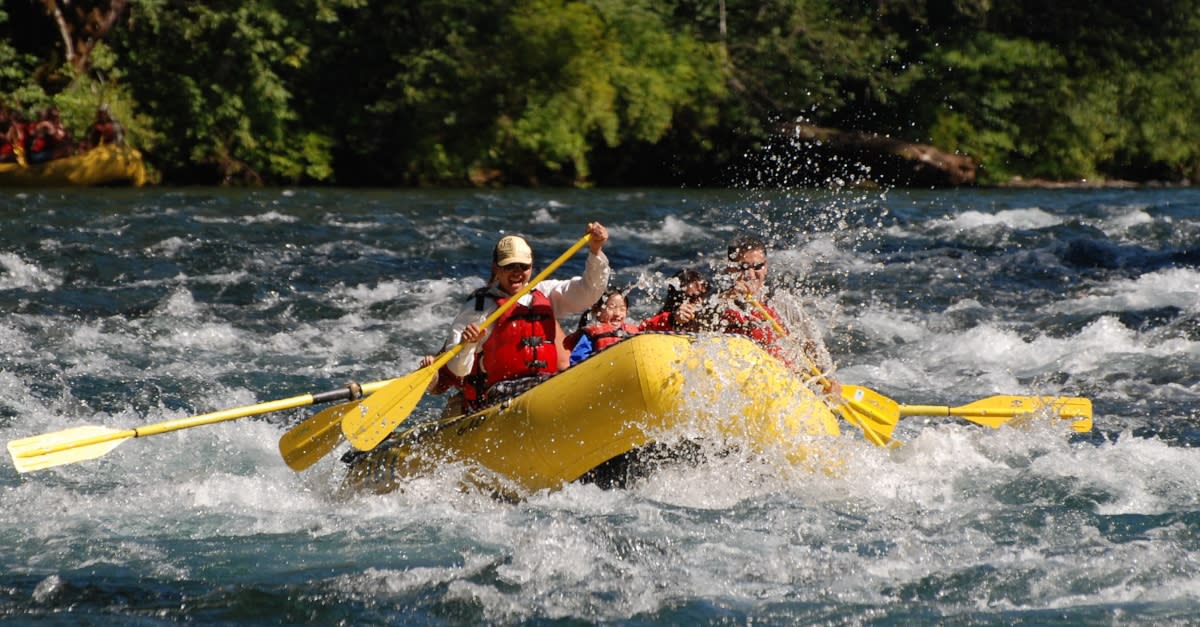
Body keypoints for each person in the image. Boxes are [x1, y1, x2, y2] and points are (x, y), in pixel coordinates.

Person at [440, 223, 611, 408]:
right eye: (509, 266)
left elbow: (589, 292)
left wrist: (595, 250)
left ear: (531, 267)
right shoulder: (479, 307)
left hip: (546, 383)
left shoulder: (544, 292)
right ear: (496, 268)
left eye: (523, 266)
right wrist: (469, 345)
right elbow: (458, 369)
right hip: (502, 393)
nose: (517, 272)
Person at [716, 234, 840, 395]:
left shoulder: (783, 301)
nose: (751, 275)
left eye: (757, 267)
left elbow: (814, 343)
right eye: (743, 267)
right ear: (731, 269)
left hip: (785, 385)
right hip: (741, 385)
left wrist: (829, 379)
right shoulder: (719, 304)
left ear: (766, 266)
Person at [565, 288, 641, 365]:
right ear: (598, 311)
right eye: (611, 308)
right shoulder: (591, 335)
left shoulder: (632, 332)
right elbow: (578, 362)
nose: (617, 313)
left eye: (622, 309)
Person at [639, 267, 713, 332]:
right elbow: (642, 329)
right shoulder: (665, 319)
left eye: (702, 295)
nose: (699, 301)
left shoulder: (710, 315)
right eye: (693, 297)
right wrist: (673, 320)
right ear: (678, 300)